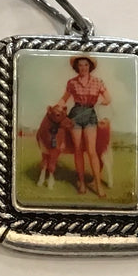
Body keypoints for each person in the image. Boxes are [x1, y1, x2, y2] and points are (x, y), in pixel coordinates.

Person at [54, 55, 111, 197]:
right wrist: (57, 106)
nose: (83, 68)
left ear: (90, 67)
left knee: (91, 151)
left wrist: (101, 102)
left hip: (90, 114)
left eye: (86, 65)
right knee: (78, 150)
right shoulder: (72, 82)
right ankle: (81, 183)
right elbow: (65, 98)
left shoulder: (98, 82)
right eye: (80, 65)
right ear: (76, 67)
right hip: (76, 115)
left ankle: (98, 185)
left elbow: (108, 98)